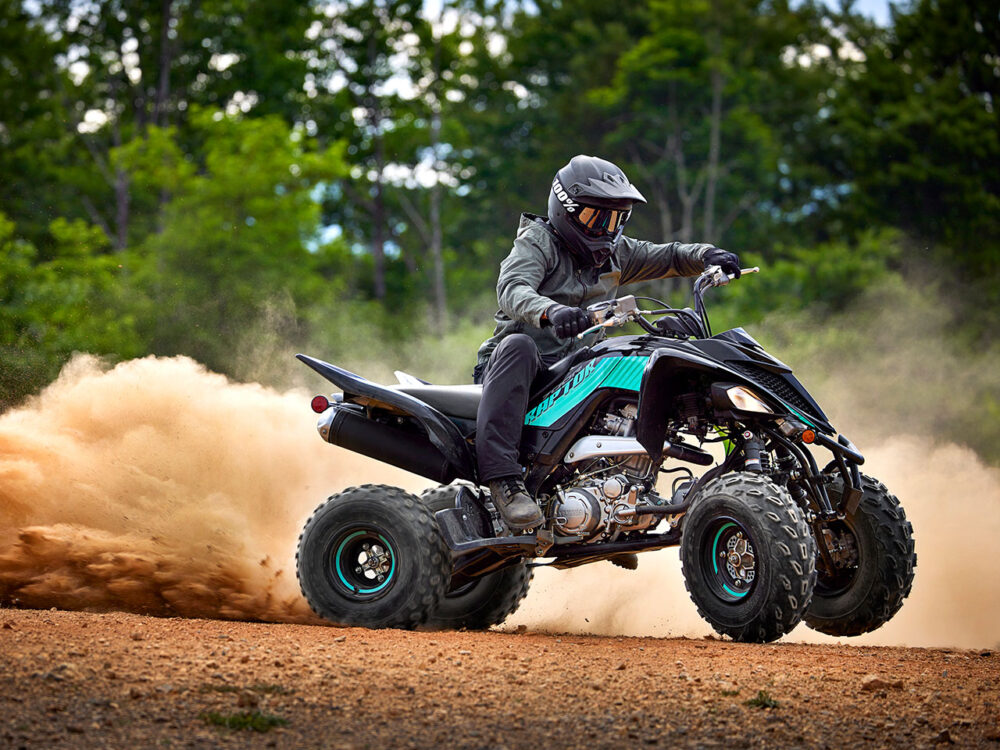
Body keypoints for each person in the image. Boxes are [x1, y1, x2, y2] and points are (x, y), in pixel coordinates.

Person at [474, 154, 741, 531]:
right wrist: (551, 311)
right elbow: (512, 289)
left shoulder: (616, 252)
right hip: (517, 372)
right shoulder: (538, 242)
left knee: (636, 358)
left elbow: (668, 256)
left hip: (574, 369)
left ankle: (618, 495)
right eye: (597, 217)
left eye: (617, 219)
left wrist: (706, 256)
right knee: (519, 345)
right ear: (565, 209)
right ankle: (504, 481)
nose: (606, 228)